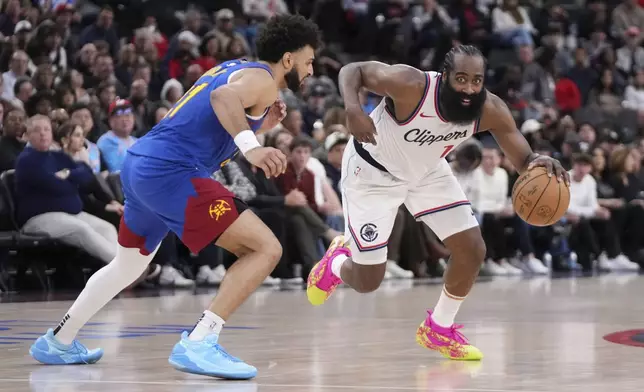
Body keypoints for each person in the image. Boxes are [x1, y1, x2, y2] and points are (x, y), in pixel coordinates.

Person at [29, 15, 321, 379]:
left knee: (128, 265)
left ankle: (58, 340)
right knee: (265, 249)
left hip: (141, 167)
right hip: (172, 171)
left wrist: (261, 124)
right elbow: (223, 97)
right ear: (289, 59)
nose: (312, 70)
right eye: (309, 60)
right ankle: (201, 341)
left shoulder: (234, 68)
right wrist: (253, 145)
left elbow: (210, 118)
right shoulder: (262, 79)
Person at [306, 45, 569, 361]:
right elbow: (354, 70)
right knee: (367, 281)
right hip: (372, 172)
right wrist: (353, 109)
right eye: (461, 79)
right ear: (445, 77)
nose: (469, 88)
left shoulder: (490, 110)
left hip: (427, 171)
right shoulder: (411, 85)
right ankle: (335, 262)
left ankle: (438, 328)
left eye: (476, 80)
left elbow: (523, 159)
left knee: (472, 249)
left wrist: (538, 162)